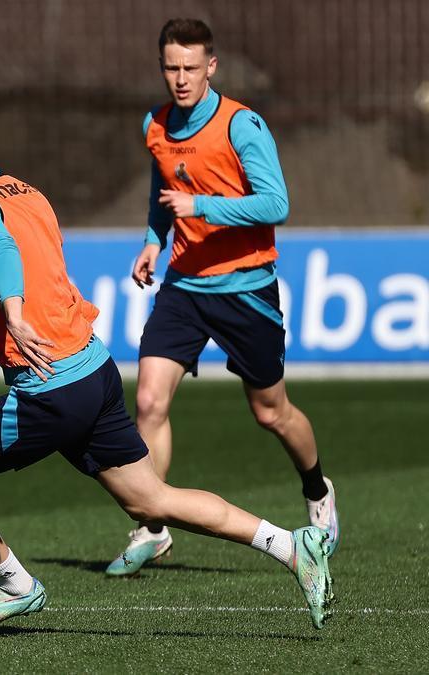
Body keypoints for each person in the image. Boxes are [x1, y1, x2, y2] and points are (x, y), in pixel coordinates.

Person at [0, 102, 334, 632]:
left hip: (47, 389)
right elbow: (17, 277)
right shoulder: (29, 194)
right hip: (94, 370)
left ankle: (14, 585)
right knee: (151, 498)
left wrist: (14, 317)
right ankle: (291, 545)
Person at [110, 18, 339, 576]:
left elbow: (275, 204)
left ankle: (317, 488)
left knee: (271, 413)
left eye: (191, 68)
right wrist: (151, 241)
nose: (181, 78)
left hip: (246, 288)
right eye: (171, 67)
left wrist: (203, 207)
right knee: (148, 402)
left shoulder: (242, 126)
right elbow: (159, 194)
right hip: (184, 287)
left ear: (211, 67)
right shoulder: (155, 124)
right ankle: (153, 527)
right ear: (161, 67)